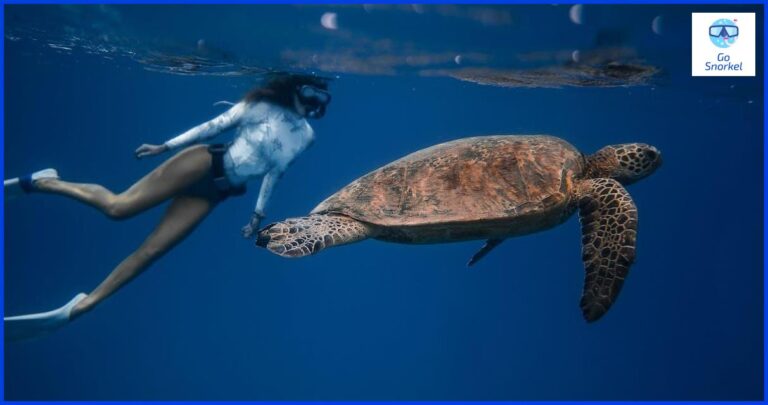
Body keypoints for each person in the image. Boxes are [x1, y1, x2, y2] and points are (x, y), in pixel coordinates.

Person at [4, 72, 332, 341]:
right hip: (203, 163)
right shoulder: (261, 105)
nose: (314, 103)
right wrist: (164, 146)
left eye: (321, 98)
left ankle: (85, 305)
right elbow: (213, 126)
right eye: (309, 93)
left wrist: (257, 215)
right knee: (118, 208)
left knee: (151, 252)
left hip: (217, 192)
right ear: (294, 89)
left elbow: (276, 172)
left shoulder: (306, 138)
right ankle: (46, 181)